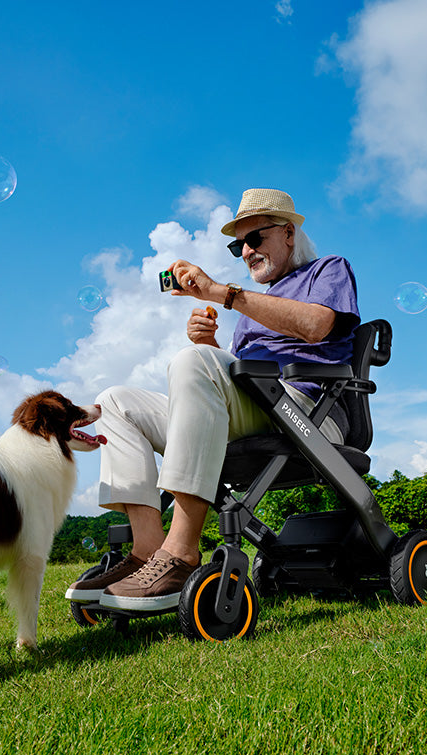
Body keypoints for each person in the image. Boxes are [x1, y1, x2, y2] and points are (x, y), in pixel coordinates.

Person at [66, 188, 361, 610]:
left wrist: (223, 296)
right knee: (115, 401)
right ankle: (148, 550)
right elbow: (241, 372)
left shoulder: (328, 270)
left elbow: (316, 327)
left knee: (193, 361)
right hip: (259, 406)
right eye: (237, 244)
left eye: (254, 239)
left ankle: (182, 552)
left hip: (310, 413)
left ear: (289, 234)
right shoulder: (255, 305)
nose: (245, 251)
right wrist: (214, 344)